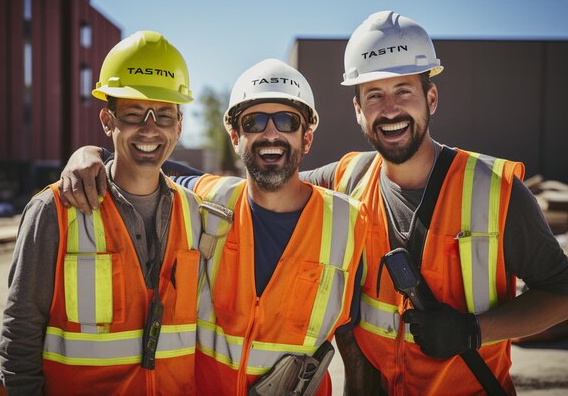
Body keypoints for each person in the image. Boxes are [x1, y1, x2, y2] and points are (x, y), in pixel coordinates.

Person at [299, 10, 568, 395]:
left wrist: (472, 331)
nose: (390, 109)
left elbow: (563, 296)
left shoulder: (495, 191)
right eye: (374, 95)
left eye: (404, 91)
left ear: (430, 98)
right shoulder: (346, 180)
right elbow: (269, 190)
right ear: (358, 111)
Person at [58, 58, 368, 395]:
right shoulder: (207, 199)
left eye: (286, 121)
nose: (270, 134)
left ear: (306, 138)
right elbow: (145, 161)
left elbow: (355, 341)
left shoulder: (349, 224)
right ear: (235, 136)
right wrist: (90, 154)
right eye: (253, 122)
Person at [0, 31, 204, 395]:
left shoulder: (195, 210)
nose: (150, 129)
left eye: (164, 115)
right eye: (135, 114)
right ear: (108, 121)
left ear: (179, 125)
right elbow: (21, 332)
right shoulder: (54, 211)